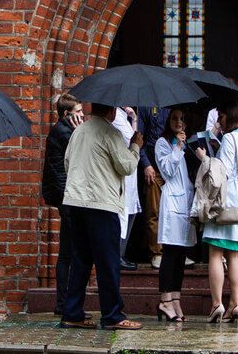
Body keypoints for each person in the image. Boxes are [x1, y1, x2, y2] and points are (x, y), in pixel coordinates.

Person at [59, 103, 144, 330]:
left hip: (76, 202)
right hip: (102, 204)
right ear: (112, 112)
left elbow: (67, 163)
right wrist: (135, 146)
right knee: (108, 261)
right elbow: (126, 166)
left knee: (80, 260)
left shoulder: (79, 131)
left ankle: (72, 312)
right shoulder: (111, 133)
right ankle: (112, 315)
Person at [195, 100, 238, 323]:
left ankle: (216, 303)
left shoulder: (228, 138)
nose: (219, 120)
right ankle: (235, 303)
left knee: (215, 254)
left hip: (223, 201)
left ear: (229, 116)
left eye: (221, 116)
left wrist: (205, 158)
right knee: (234, 255)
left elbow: (222, 172)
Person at [40, 94, 84, 315]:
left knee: (67, 251)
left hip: (66, 194)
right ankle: (69, 305)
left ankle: (63, 304)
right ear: (67, 114)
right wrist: (79, 134)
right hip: (67, 195)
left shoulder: (64, 130)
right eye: (79, 112)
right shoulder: (64, 132)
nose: (83, 116)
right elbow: (81, 156)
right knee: (76, 252)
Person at [154, 108, 196, 322]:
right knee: (170, 254)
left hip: (186, 203)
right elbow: (168, 170)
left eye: (182, 119)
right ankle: (164, 300)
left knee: (180, 256)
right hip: (172, 203)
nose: (179, 122)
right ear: (168, 121)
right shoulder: (162, 143)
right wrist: (177, 146)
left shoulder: (187, 143)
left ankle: (176, 300)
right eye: (174, 119)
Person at [136, 106, 169, 269]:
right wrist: (146, 164)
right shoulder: (146, 106)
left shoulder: (173, 104)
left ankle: (174, 251)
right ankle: (157, 252)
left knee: (174, 211)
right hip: (153, 165)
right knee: (154, 210)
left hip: (171, 164)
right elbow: (139, 137)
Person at [112, 106, 141, 270]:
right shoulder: (116, 116)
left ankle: (121, 254)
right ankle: (118, 255)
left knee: (130, 214)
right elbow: (133, 140)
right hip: (124, 173)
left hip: (131, 173)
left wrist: (134, 119)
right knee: (122, 215)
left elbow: (136, 140)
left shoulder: (124, 116)